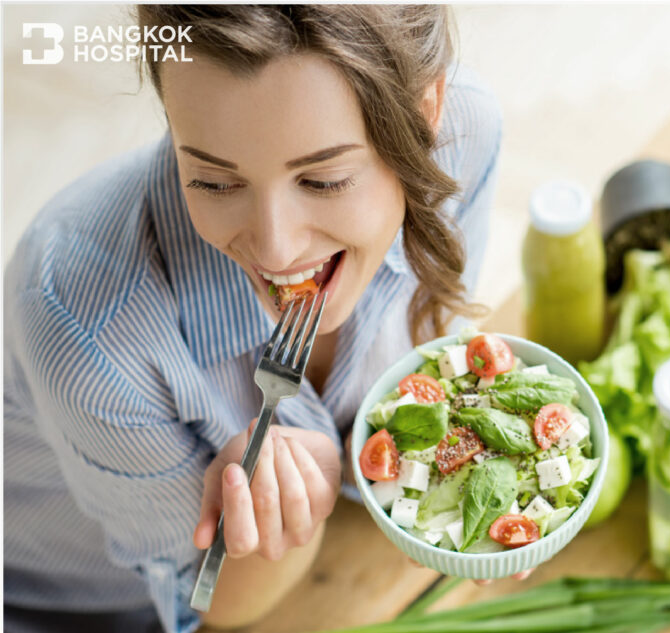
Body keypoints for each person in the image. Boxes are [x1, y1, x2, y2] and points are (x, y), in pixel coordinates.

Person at [4, 6, 504, 632]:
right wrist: (282, 509)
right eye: (213, 182)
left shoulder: (467, 133)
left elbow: (430, 362)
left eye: (323, 180)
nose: (273, 250)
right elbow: (207, 604)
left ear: (428, 114)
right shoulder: (80, 322)